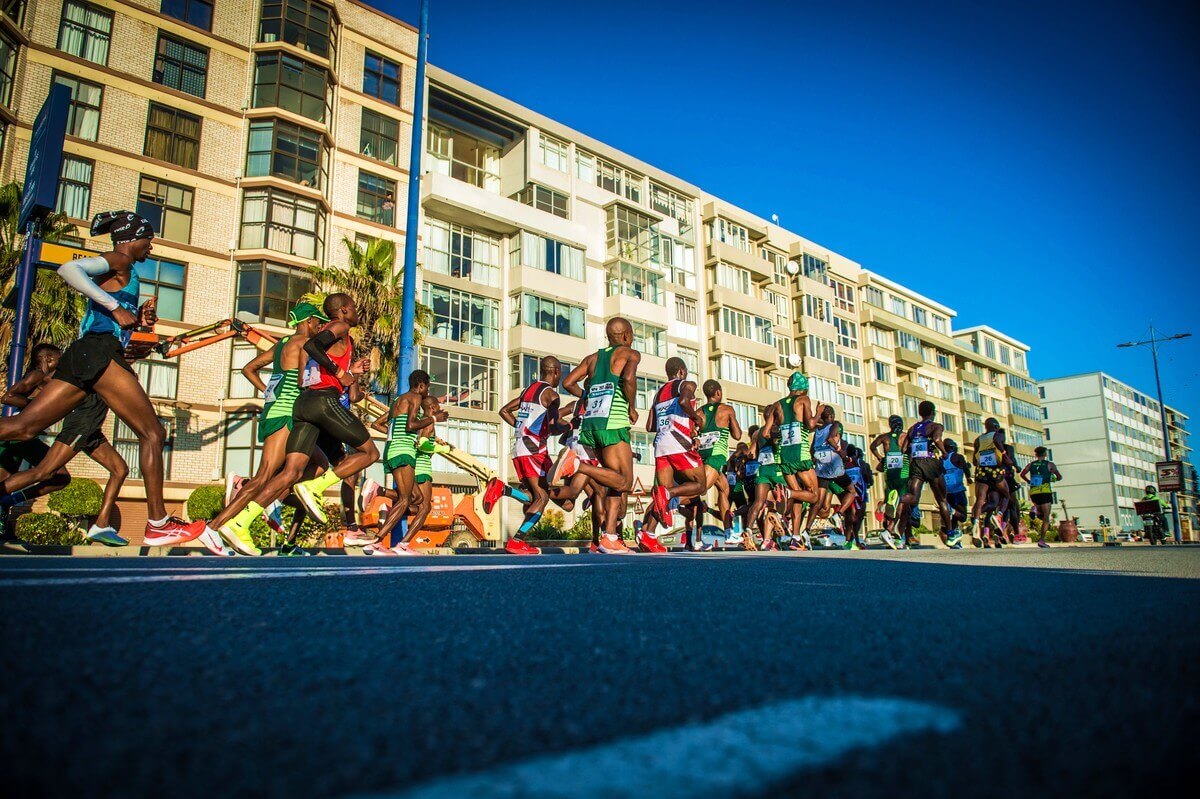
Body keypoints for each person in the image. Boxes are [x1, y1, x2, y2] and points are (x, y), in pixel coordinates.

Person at [0, 211, 206, 546]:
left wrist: (138, 318)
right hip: (97, 352)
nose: (151, 247)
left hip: (86, 353)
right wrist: (114, 306)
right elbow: (69, 270)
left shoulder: (124, 271)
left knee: (24, 427)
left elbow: (113, 324)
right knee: (153, 433)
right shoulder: (119, 259)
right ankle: (158, 523)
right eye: (148, 239)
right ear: (132, 238)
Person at [216, 293, 379, 550]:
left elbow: (308, 375)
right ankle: (316, 489)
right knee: (370, 453)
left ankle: (239, 523)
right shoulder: (338, 327)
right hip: (322, 402)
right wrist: (339, 373)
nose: (357, 312)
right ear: (345, 309)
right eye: (355, 307)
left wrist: (349, 373)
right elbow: (311, 348)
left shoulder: (320, 338)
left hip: (303, 405)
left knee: (291, 472)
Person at [207, 301, 331, 555]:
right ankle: (215, 526)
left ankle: (274, 495)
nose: (320, 327)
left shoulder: (282, 344)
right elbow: (303, 381)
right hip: (286, 415)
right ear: (308, 322)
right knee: (264, 476)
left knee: (320, 463)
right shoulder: (305, 344)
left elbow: (248, 368)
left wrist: (267, 392)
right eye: (318, 322)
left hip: (278, 410)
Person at [0, 343, 131, 546]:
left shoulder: (95, 366)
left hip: (91, 430)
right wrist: (40, 408)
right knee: (44, 472)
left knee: (119, 469)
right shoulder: (48, 374)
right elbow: (9, 397)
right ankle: (6, 499)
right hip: (76, 427)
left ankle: (101, 524)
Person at [553, 317, 641, 555]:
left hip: (591, 425)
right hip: (613, 423)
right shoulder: (630, 354)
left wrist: (587, 396)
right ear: (626, 336)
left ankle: (609, 537)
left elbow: (568, 382)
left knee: (614, 482)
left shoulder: (593, 358)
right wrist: (632, 407)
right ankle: (578, 465)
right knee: (625, 481)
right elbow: (629, 379)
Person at [371, 369, 446, 554]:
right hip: (403, 452)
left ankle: (381, 495)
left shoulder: (399, 400)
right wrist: (434, 418)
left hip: (393, 450)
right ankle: (378, 542)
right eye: (427, 387)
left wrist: (398, 437)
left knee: (416, 498)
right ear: (420, 385)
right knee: (408, 501)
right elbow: (411, 425)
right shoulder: (415, 398)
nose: (427, 391)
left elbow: (380, 424)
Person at [496, 356, 566, 555]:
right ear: (556, 372)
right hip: (534, 449)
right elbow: (553, 426)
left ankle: (504, 490)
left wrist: (522, 428)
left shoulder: (528, 390)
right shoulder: (551, 395)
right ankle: (517, 541)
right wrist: (569, 426)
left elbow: (504, 411)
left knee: (535, 496)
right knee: (542, 498)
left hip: (520, 447)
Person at [638, 358, 707, 553]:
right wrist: (696, 418)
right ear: (682, 371)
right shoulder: (686, 384)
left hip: (660, 445)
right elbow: (684, 401)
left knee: (663, 496)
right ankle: (669, 494)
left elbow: (650, 426)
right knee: (700, 485)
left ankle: (648, 535)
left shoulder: (658, 393)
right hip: (679, 442)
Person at [767, 373, 821, 544]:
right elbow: (810, 424)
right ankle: (787, 493)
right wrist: (818, 413)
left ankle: (795, 537)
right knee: (814, 496)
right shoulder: (803, 400)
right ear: (803, 388)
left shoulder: (777, 405)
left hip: (784, 456)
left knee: (799, 495)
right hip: (801, 453)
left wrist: (784, 430)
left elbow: (766, 432)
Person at [897, 401, 952, 546]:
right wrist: (944, 452)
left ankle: (898, 499)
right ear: (932, 412)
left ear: (920, 413)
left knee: (913, 497)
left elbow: (904, 450)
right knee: (942, 499)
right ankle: (951, 533)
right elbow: (937, 439)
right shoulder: (936, 426)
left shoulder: (912, 428)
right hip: (930, 462)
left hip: (916, 463)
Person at [697, 380, 742, 544]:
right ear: (718, 393)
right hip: (716, 455)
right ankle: (671, 501)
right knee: (700, 489)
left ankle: (728, 532)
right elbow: (737, 435)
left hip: (702, 455)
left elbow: (693, 433)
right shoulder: (726, 409)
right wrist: (731, 420)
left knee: (724, 489)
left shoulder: (699, 412)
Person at [969, 417, 1011, 547]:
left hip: (981, 471)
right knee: (1006, 494)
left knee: (981, 499)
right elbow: (997, 441)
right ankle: (998, 516)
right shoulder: (998, 434)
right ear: (996, 426)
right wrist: (1004, 455)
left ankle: (976, 523)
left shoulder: (978, 439)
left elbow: (974, 461)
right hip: (994, 470)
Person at [868, 415, 907, 549]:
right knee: (901, 501)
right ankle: (891, 529)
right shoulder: (905, 437)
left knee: (890, 496)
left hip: (889, 472)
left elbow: (872, 446)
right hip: (902, 471)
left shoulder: (884, 437)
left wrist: (880, 458)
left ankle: (888, 510)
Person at [1020, 446, 1062, 549]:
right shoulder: (1050, 464)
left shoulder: (1031, 464)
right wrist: (1052, 476)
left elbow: (1022, 474)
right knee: (1046, 518)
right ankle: (1042, 540)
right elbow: (1059, 477)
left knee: (1040, 515)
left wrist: (1029, 481)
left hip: (1034, 491)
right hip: (1045, 491)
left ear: (1036, 454)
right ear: (1045, 454)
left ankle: (1034, 509)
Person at [941, 439, 973, 548]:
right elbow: (965, 468)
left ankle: (955, 541)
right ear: (952, 447)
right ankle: (952, 510)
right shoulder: (958, 457)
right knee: (963, 517)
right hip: (958, 490)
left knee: (953, 519)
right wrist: (969, 478)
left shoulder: (941, 459)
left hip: (947, 492)